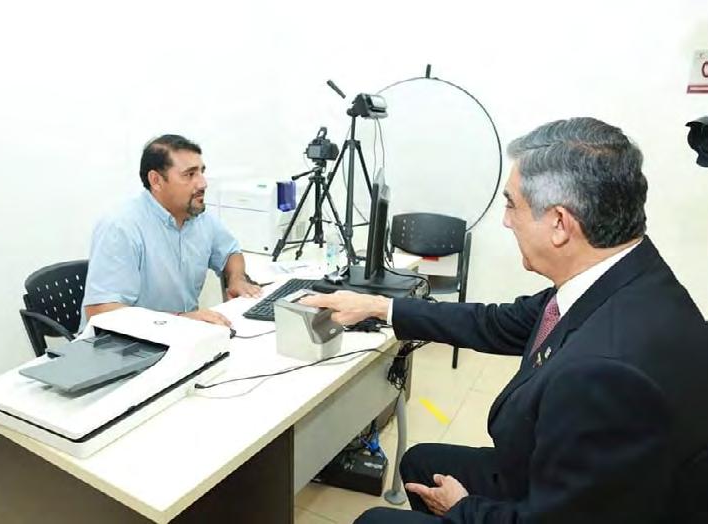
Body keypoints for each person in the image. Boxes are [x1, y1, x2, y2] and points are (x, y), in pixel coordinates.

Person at [302, 118, 708, 523]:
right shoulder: (623, 275)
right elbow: (497, 323)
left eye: (512, 204)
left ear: (560, 223)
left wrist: (464, 508)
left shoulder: (603, 373)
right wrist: (379, 307)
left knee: (373, 521)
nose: (506, 220)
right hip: (583, 477)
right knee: (421, 463)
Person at [81, 134, 260, 327]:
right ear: (156, 180)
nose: (203, 183)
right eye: (189, 174)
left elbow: (230, 252)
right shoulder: (120, 227)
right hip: (125, 340)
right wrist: (180, 319)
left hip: (182, 333)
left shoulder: (199, 217)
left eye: (201, 172)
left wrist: (237, 279)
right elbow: (101, 312)